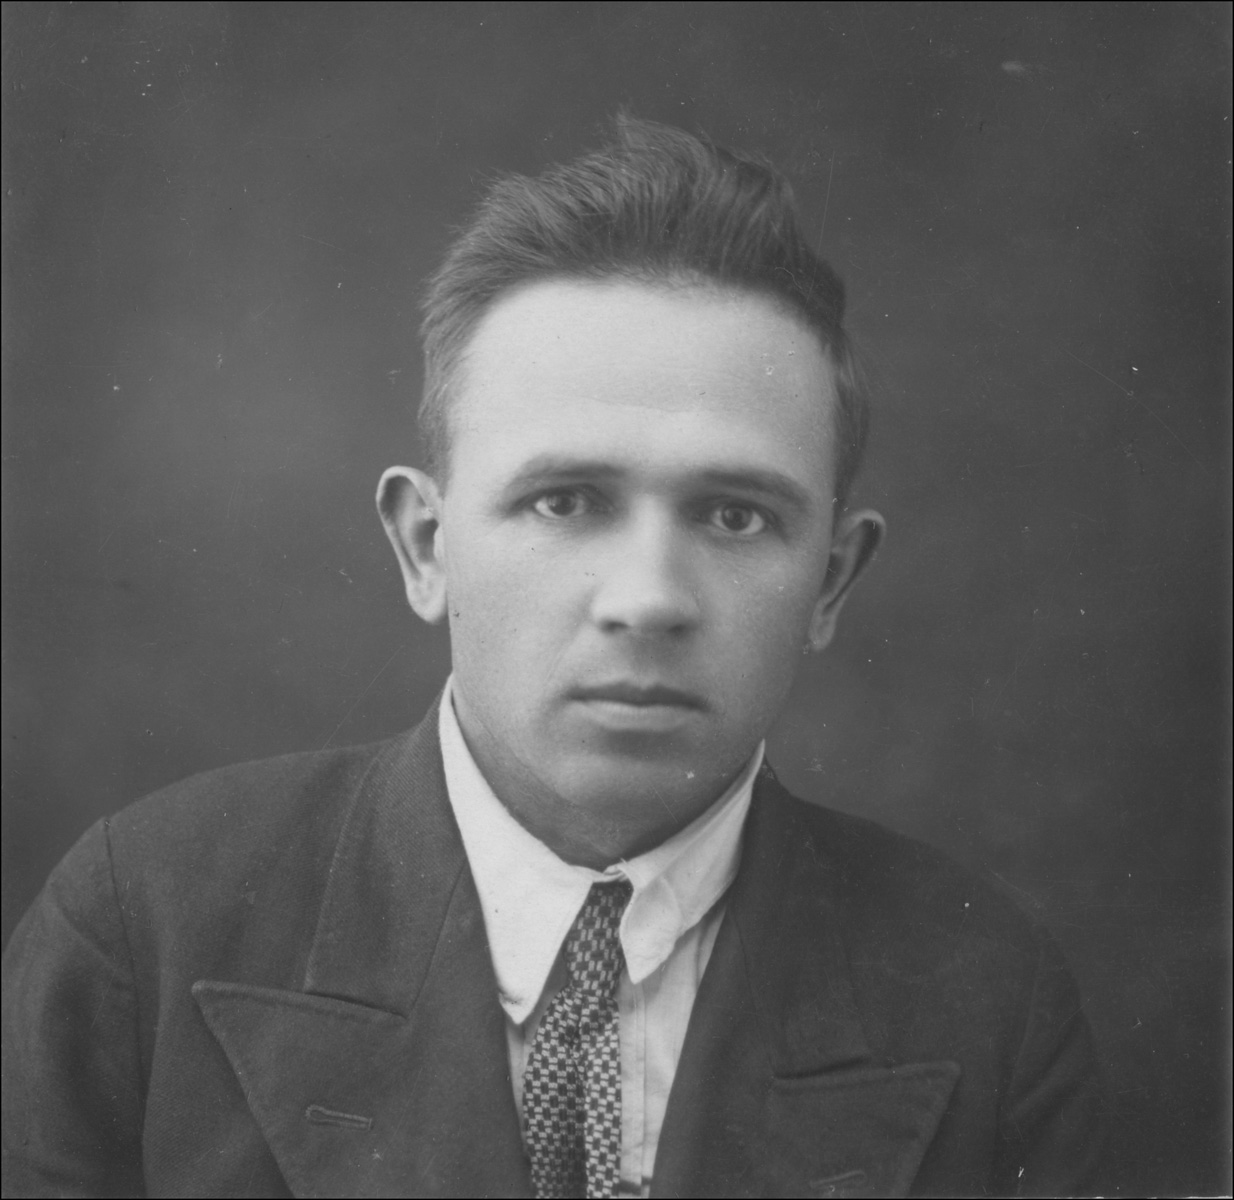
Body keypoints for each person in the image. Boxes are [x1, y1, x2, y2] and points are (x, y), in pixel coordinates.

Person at [2, 119, 1104, 1199]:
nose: (647, 599)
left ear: (830, 582)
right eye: (564, 501)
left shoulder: (988, 1000)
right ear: (425, 545)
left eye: (734, 516)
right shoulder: (144, 926)